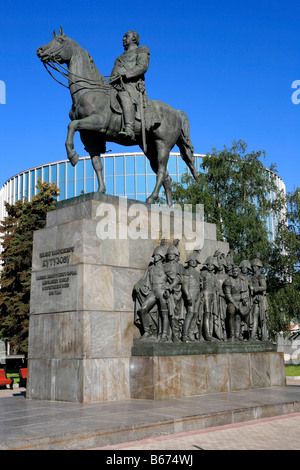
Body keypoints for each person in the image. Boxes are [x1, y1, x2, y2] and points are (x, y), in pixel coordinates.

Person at [109, 30, 150, 140]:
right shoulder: (119, 57)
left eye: (126, 36)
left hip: (131, 84)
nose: (123, 38)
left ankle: (129, 128)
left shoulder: (141, 50)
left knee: (124, 96)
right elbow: (113, 74)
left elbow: (142, 66)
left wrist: (126, 74)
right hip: (116, 85)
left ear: (134, 39)